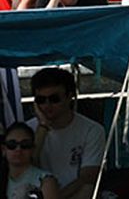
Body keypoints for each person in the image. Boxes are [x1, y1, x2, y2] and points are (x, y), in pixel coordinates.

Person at [26, 69, 104, 199]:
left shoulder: (92, 130)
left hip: (73, 194)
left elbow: (88, 177)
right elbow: (26, 168)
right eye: (41, 100)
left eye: (54, 99)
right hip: (37, 194)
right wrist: (43, 127)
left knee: (87, 188)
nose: (47, 105)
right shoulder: (26, 130)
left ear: (69, 97)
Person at [3, 119, 56, 199]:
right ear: (4, 150)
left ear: (33, 149)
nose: (18, 149)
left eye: (25, 144)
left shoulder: (46, 181)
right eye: (12, 144)